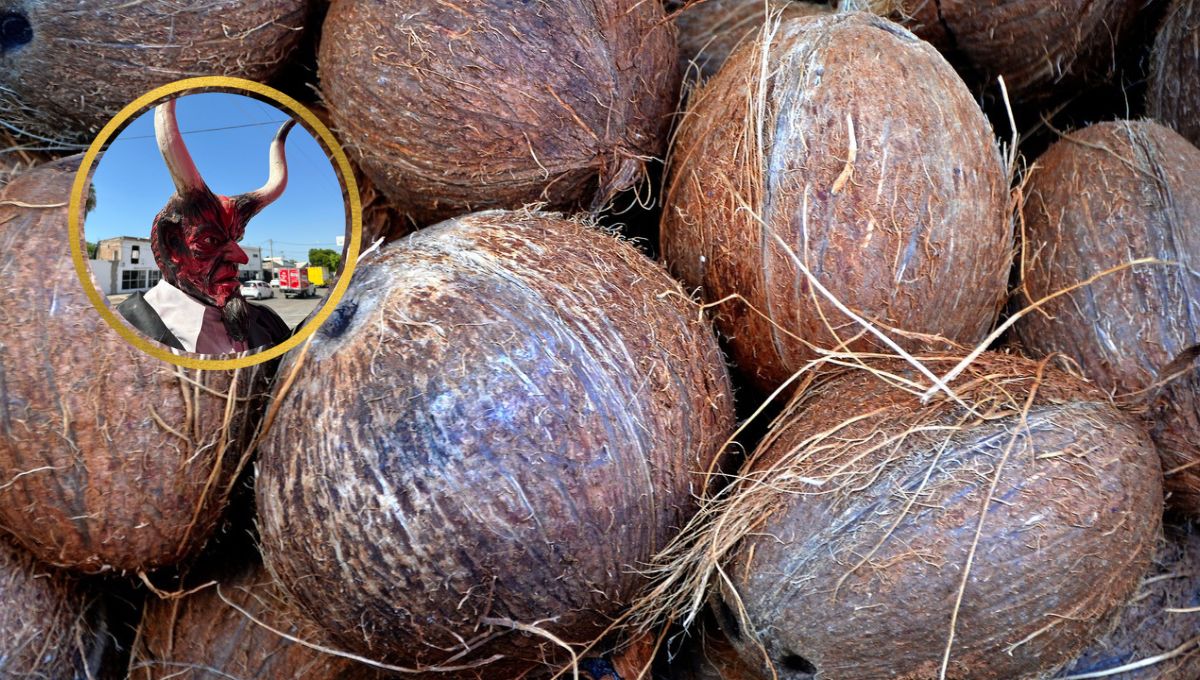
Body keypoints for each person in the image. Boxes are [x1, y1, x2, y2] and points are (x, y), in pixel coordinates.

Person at [118, 98, 293, 354]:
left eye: (236, 238)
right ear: (174, 246)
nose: (241, 258)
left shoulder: (267, 322)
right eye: (210, 241)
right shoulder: (128, 326)